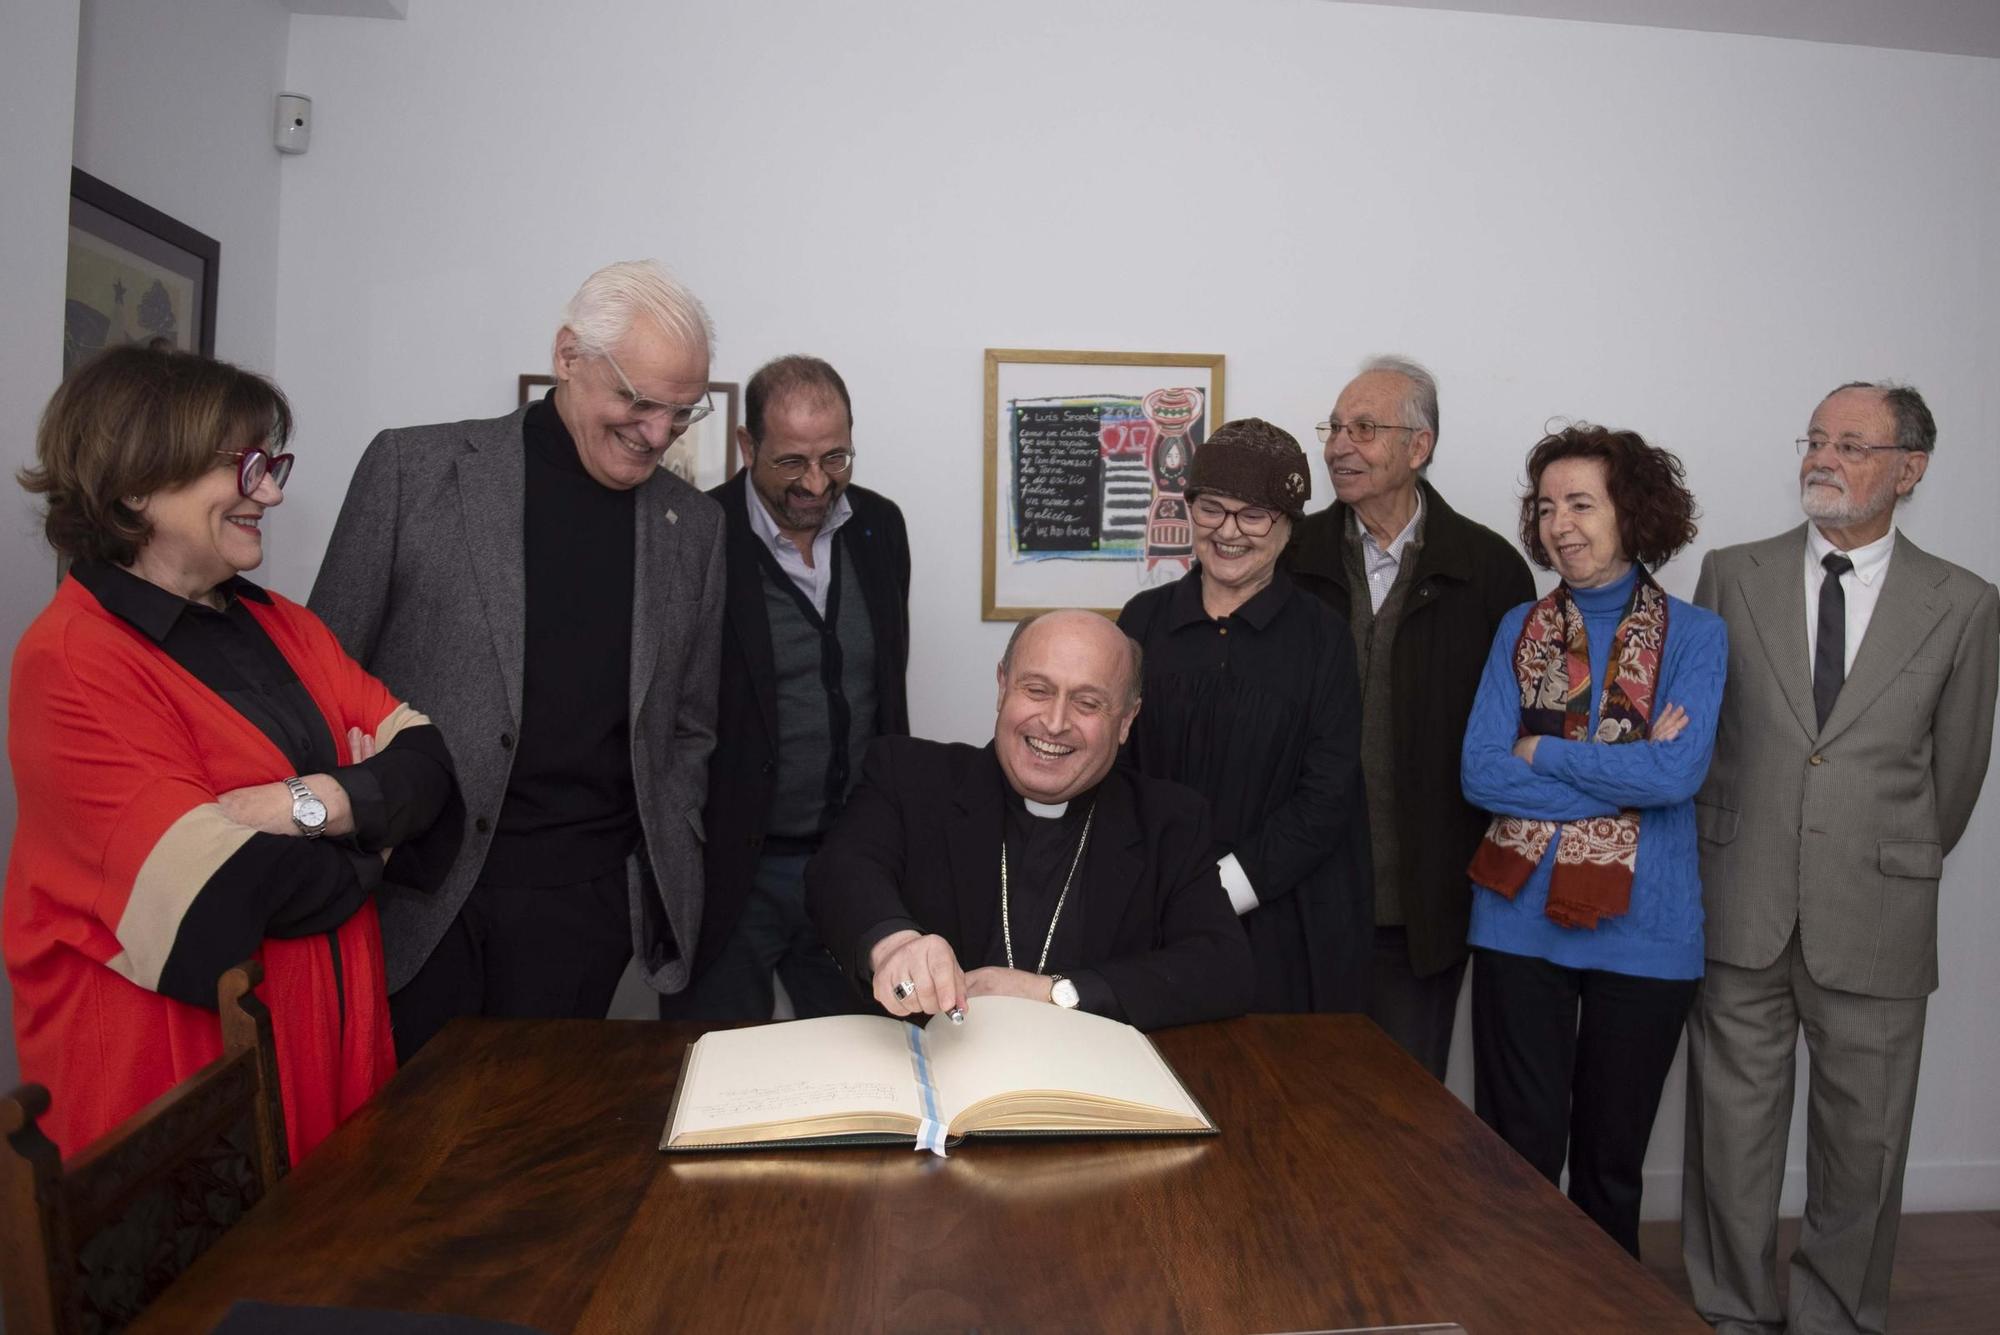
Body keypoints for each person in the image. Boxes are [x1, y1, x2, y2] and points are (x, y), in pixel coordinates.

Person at [4, 346, 459, 1161]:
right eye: (246, 465)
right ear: (138, 483)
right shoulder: (73, 659)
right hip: (178, 1120)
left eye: (271, 462)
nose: (273, 491)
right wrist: (374, 835)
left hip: (333, 1081)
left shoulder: (282, 623)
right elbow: (218, 902)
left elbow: (429, 768)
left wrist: (300, 806)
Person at [309, 259, 726, 1060]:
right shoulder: (412, 472)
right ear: (568, 356)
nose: (657, 433)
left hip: (589, 905)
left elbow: (689, 725)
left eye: (681, 412)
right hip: (417, 892)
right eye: (636, 401)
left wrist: (653, 855)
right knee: (402, 1161)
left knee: (540, 1162)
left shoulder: (694, 529)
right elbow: (318, 679)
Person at [1681, 382, 1998, 1335]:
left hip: (1879, 911)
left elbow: (1957, 772)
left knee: (1865, 1143)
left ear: (1909, 469)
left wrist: (1881, 853)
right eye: (1815, 439)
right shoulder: (1731, 573)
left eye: (1851, 445)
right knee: (1730, 1134)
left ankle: (1834, 1317)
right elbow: (1709, 739)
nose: (1823, 458)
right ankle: (1735, 1308)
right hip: (1742, 897)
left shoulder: (1967, 603)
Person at [1459, 423, 1726, 1257]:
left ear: (1633, 512)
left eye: (1581, 502)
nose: (1559, 524)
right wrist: (1626, 766)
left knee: (1611, 1169)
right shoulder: (1518, 628)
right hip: (1516, 922)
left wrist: (1547, 751)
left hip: (1646, 936)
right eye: (1546, 507)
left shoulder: (1696, 635)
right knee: (1517, 1158)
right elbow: (1481, 774)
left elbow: (1676, 778)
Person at [805, 609, 1252, 1031]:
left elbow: (1221, 968)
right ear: (1002, 686)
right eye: (1037, 690)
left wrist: (1055, 993)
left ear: (1126, 720)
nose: (1054, 723)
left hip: (1087, 1086)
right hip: (930, 1075)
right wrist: (895, 946)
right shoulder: (908, 775)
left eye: (1088, 703)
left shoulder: (1169, 820)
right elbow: (840, 871)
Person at [1287, 357, 1535, 1075]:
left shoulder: (1488, 570)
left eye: (1364, 428)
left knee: (1402, 1119)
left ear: (1418, 447)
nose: (1338, 445)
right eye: (1334, 427)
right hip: (1298, 902)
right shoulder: (1289, 554)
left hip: (1423, 906)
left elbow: (1518, 731)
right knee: (1293, 1105)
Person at [664, 355, 910, 1020]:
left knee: (864, 1061)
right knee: (716, 1065)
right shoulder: (696, 534)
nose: (815, 482)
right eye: (791, 461)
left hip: (852, 863)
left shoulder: (880, 527)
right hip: (731, 871)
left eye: (836, 458)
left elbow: (889, 690)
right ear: (747, 447)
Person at [1118, 418, 1368, 1013]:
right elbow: (1109, 763)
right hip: (1148, 915)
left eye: (1253, 514)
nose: (1229, 532)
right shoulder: (1142, 622)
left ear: (1286, 527)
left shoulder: (1323, 639)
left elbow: (1326, 795)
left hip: (1283, 925)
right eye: (1212, 509)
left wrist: (1220, 889)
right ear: (1190, 511)